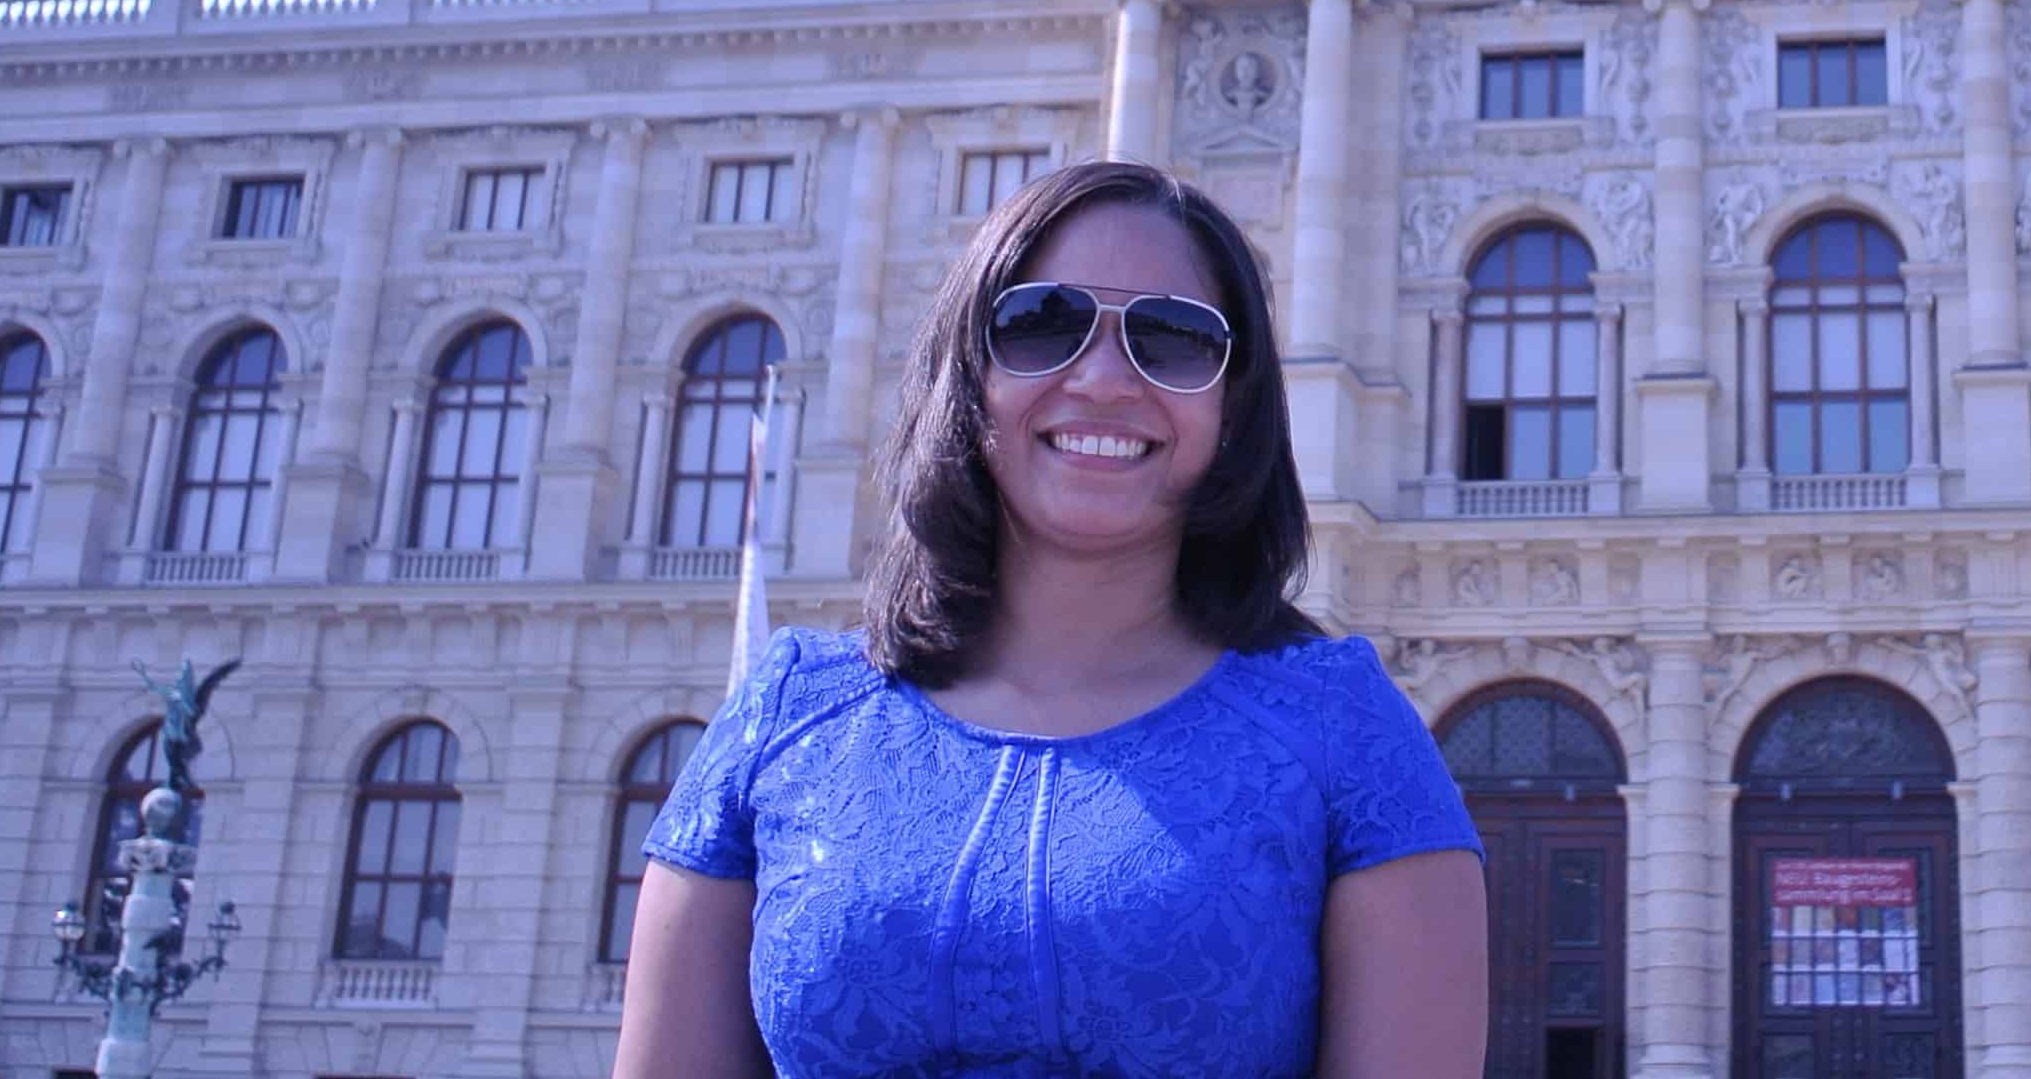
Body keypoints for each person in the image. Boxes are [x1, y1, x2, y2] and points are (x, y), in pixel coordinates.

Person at [613, 160, 1489, 1079]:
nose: (1105, 378)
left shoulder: (1343, 733)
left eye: (1175, 338)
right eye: (1042, 323)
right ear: (968, 375)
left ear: (1234, 410)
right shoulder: (788, 715)